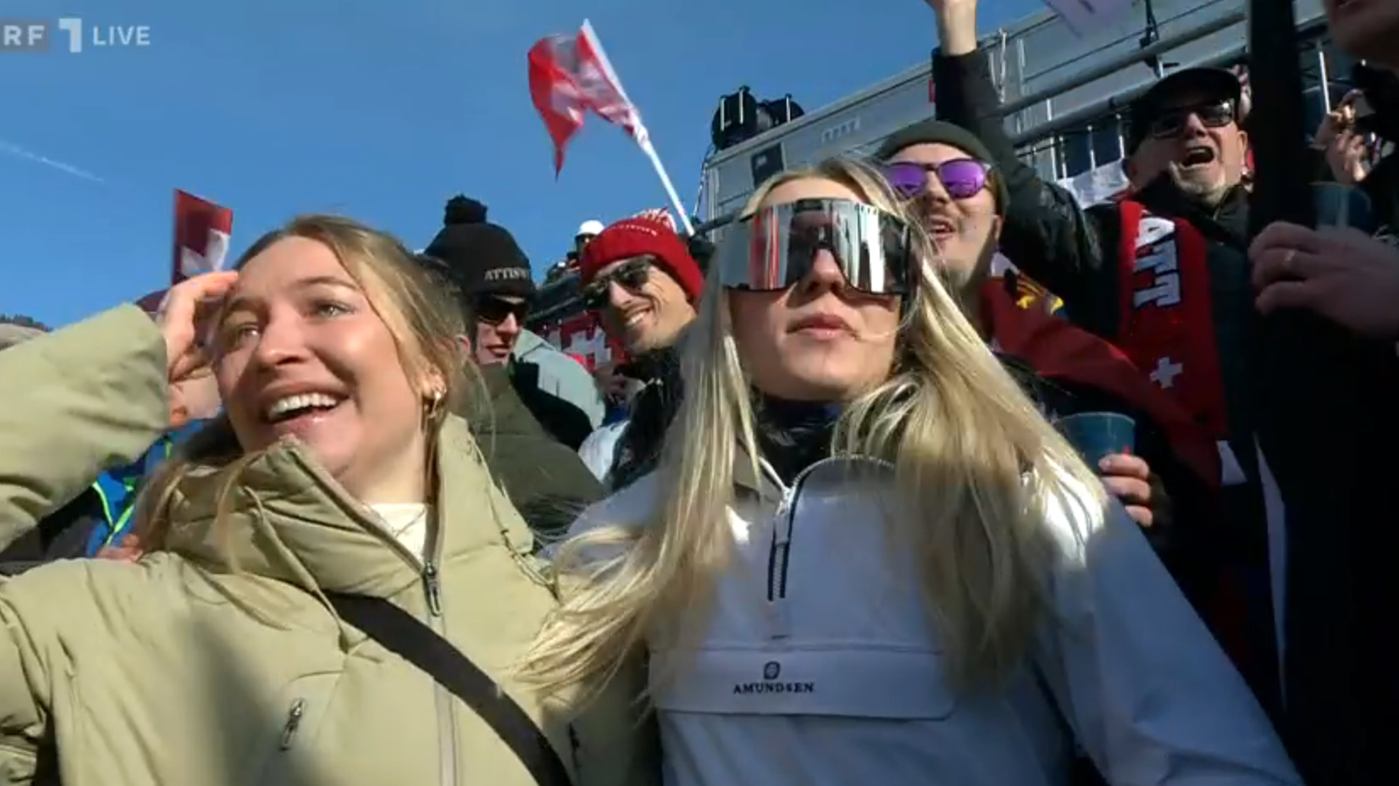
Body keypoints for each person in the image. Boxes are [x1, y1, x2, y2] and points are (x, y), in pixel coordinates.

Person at [525, 157, 1297, 786]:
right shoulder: (635, 529)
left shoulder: (1019, 491)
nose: (825, 275)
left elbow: (1205, 757)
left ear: (906, 302)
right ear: (727, 301)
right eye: (780, 248)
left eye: (867, 250)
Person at [0, 215, 654, 786]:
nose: (272, 348)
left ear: (432, 365)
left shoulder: (583, 621)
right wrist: (128, 371)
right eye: (241, 330)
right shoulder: (104, 620)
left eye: (326, 307)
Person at [923, 0, 1286, 717]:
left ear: (1246, 141)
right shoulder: (1101, 245)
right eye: (1166, 122)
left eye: (1213, 112)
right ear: (1134, 165)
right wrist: (957, 28)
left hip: (1341, 551)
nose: (1193, 126)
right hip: (1187, 568)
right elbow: (998, 175)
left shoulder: (1330, 218)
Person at [874, 121, 1224, 627]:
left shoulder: (1078, 366)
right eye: (903, 182)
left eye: (963, 179)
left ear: (997, 226)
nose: (932, 193)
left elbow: (1195, 522)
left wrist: (1165, 515)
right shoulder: (827, 371)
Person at [425, 195, 602, 447]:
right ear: (443, 307)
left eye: (522, 311)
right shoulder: (388, 411)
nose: (511, 328)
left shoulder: (564, 424)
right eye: (493, 308)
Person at [575, 213, 703, 489]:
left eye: (633, 274)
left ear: (682, 279)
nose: (617, 300)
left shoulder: (766, 379)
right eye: (598, 294)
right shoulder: (607, 451)